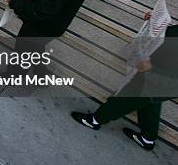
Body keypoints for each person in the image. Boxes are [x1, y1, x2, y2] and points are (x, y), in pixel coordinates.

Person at [71, 19, 178, 151]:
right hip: (159, 78)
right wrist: (159, 22)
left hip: (157, 79)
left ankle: (95, 120)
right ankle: (148, 138)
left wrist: (150, 71)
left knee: (123, 100)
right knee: (151, 103)